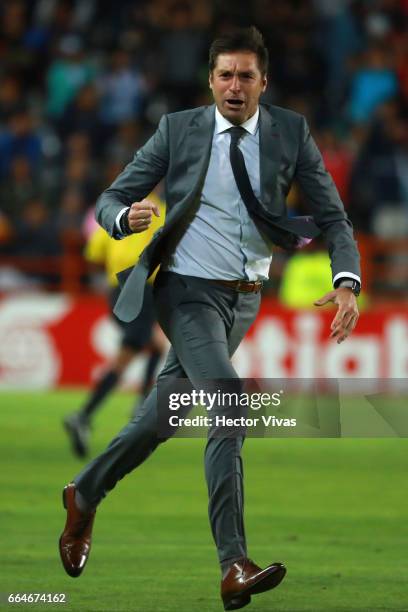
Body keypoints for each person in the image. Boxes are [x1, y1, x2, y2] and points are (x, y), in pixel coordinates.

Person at [59, 27, 361, 610]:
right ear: (211, 80)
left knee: (162, 418)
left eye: (246, 75)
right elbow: (108, 200)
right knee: (229, 397)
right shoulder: (179, 129)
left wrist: (346, 281)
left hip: (244, 298)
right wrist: (126, 218)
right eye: (225, 74)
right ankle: (234, 564)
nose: (235, 85)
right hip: (185, 290)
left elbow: (335, 218)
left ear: (263, 83)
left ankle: (85, 492)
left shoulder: (290, 132)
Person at [63, 193, 167, 458]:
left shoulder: (114, 211)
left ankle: (139, 407)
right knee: (128, 356)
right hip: (139, 287)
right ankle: (85, 415)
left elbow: (94, 252)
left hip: (116, 289)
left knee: (154, 346)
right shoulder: (159, 209)